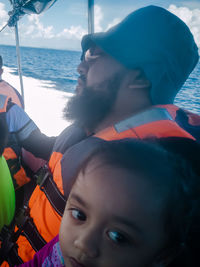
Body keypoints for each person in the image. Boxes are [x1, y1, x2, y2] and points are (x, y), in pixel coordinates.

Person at [6, 5, 200, 264]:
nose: (79, 67)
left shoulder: (145, 175)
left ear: (140, 76)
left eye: (94, 55)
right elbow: (62, 156)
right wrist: (19, 125)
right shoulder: (100, 131)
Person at [17, 138, 200, 267]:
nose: (83, 243)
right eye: (80, 215)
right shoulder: (60, 251)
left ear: (162, 256)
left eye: (118, 237)